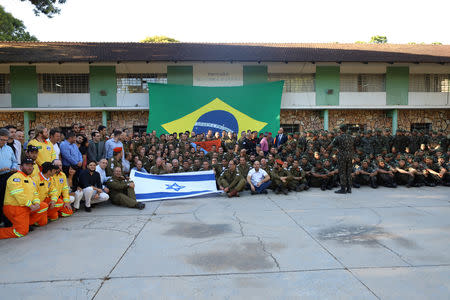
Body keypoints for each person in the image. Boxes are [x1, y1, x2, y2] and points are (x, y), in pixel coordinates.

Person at [0, 158, 48, 239]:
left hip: (25, 207)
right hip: (14, 207)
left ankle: (25, 223)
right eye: (27, 165)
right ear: (21, 167)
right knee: (21, 232)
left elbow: (35, 193)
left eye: (31, 165)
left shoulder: (29, 179)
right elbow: (18, 194)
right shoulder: (15, 177)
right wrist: (30, 205)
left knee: (43, 206)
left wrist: (36, 202)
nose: (30, 167)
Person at [0, 128, 18, 227]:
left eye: (5, 140)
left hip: (7, 176)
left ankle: (7, 221)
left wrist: (14, 168)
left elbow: (14, 161)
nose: (3, 142)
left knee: (7, 200)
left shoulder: (9, 148)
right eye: (1, 139)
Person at [329, 125, 355, 194]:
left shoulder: (338, 137)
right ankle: (349, 188)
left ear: (340, 130)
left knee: (342, 172)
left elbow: (331, 145)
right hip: (350, 156)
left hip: (342, 157)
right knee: (348, 172)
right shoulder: (351, 137)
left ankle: (343, 189)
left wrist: (326, 149)